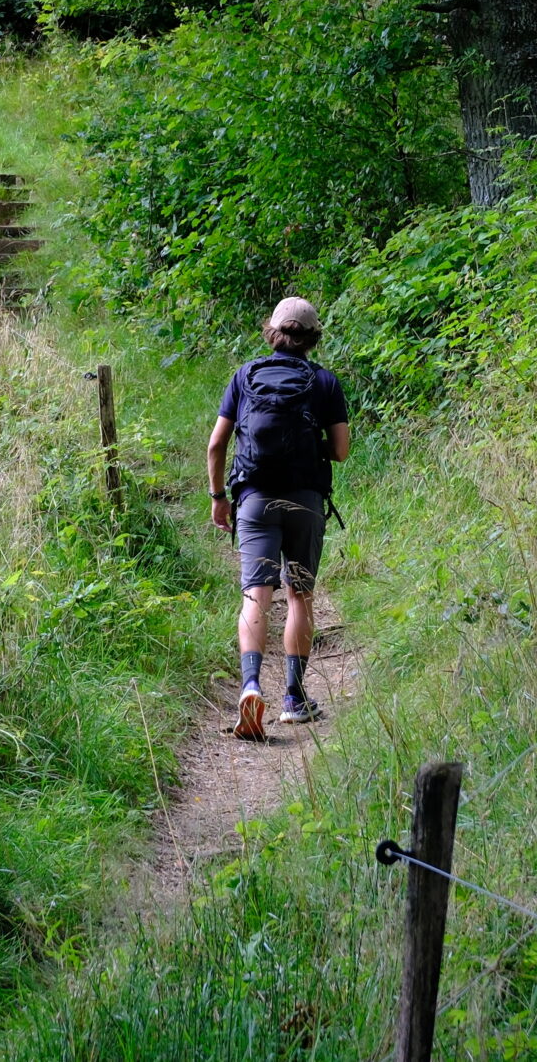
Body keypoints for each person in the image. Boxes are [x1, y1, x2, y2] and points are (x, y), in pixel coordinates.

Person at [207, 295, 350, 740]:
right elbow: (341, 451)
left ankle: (250, 686)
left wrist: (218, 497)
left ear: (272, 331)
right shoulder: (325, 382)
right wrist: (310, 448)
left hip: (254, 499)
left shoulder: (245, 376)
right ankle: (293, 698)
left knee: (256, 596)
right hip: (305, 502)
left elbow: (216, 446)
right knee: (299, 596)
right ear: (311, 337)